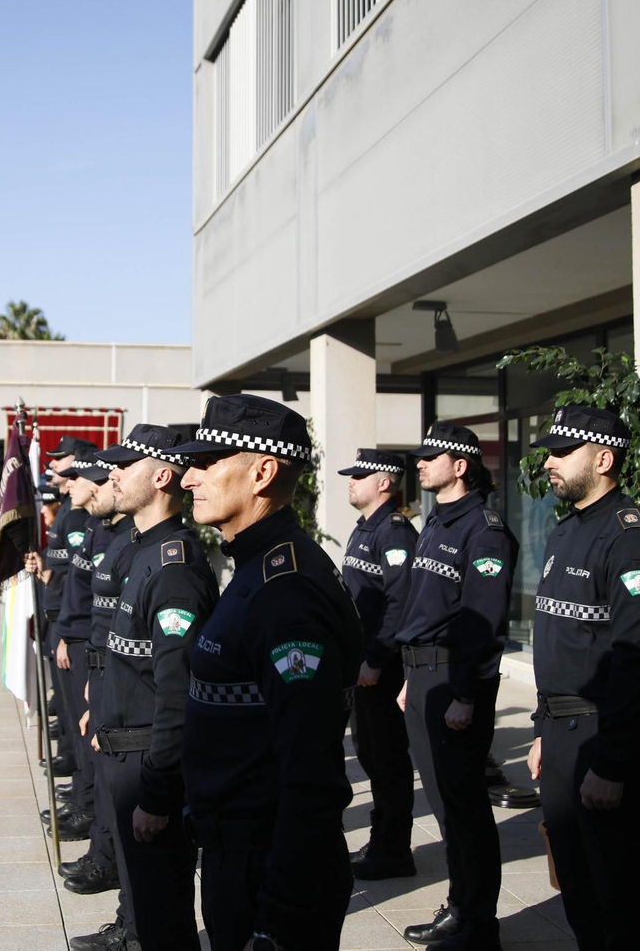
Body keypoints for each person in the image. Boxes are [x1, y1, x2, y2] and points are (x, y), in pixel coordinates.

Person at [175, 394, 364, 951]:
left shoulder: (286, 589)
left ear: (262, 472)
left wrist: (278, 917)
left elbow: (310, 770)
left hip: (266, 868)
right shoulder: (257, 567)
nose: (189, 478)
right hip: (238, 851)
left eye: (208, 462)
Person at [524, 406, 640, 951]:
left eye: (563, 452)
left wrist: (611, 761)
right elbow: (562, 645)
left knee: (617, 898)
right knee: (578, 892)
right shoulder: (567, 533)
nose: (550, 462)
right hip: (563, 735)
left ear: (604, 458)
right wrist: (543, 727)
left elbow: (635, 659)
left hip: (603, 733)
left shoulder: (631, 539)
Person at [73, 424, 219, 951]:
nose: (113, 472)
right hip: (123, 745)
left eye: (126, 464)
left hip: (147, 758)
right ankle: (131, 931)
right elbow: (126, 655)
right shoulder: (140, 550)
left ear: (161, 476)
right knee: (144, 896)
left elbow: (176, 690)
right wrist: (101, 712)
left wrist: (158, 792)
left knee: (164, 912)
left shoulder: (173, 563)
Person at [393, 425, 519, 948]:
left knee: (463, 806)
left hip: (453, 675)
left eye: (430, 458)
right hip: (423, 674)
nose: (419, 465)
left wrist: (466, 693)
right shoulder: (435, 522)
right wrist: (409, 677)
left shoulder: (483, 529)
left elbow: (482, 621)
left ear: (460, 465)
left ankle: (476, 921)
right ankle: (460, 904)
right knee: (445, 804)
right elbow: (423, 605)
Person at [334, 447, 420, 882]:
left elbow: (401, 603)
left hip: (381, 669)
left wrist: (374, 658)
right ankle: (383, 839)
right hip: (362, 665)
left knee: (386, 759)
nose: (351, 481)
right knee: (370, 754)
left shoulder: (396, 532)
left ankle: (393, 851)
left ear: (384, 482)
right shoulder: (365, 529)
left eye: (360, 475)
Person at [62, 451, 135, 908]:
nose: (112, 479)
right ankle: (104, 855)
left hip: (126, 686)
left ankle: (107, 861)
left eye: (119, 473)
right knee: (106, 780)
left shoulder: (143, 545)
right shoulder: (115, 536)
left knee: (118, 791)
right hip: (100, 666)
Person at [42, 448, 110, 842]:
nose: (70, 482)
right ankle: (87, 801)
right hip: (72, 632)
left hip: (85, 641)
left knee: (91, 739)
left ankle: (90, 810)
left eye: (81, 476)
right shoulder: (84, 521)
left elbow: (88, 594)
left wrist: (70, 635)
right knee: (76, 723)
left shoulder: (99, 526)